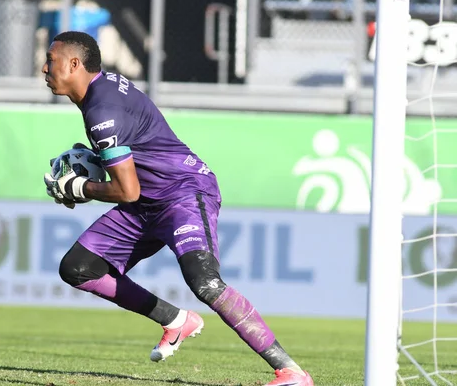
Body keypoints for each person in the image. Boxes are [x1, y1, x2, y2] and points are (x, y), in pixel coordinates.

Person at [42, 31, 314, 386]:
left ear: (74, 64)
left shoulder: (101, 111)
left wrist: (79, 186)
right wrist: (95, 164)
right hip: (146, 202)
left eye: (51, 59)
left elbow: (126, 190)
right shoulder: (100, 91)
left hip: (183, 193)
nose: (44, 68)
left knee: (205, 282)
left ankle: (291, 372)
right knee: (78, 268)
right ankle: (175, 320)